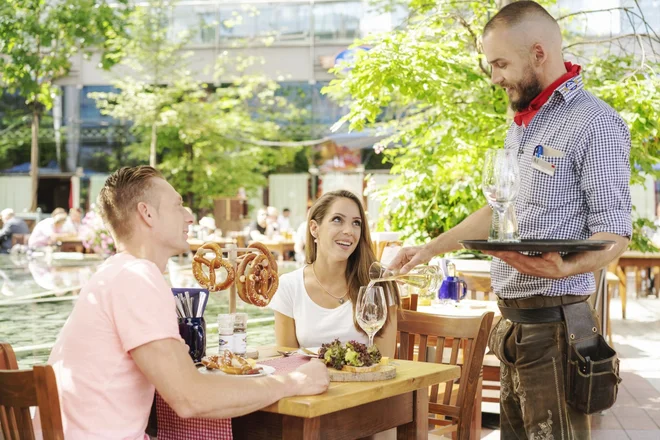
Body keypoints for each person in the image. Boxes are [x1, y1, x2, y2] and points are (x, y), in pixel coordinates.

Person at [389, 2, 631, 439]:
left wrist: (567, 267)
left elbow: (615, 233)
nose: (495, 76)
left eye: (501, 63)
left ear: (539, 53)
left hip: (557, 333)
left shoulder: (597, 123)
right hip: (513, 327)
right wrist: (427, 250)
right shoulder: (522, 124)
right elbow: (500, 210)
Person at [38, 166, 328, 439]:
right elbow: (190, 398)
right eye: (178, 206)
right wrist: (294, 382)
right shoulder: (136, 277)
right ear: (147, 214)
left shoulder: (111, 274)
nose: (189, 217)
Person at [269, 190, 399, 358]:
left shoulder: (379, 284)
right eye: (337, 220)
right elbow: (287, 361)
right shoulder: (288, 287)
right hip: (309, 383)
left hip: (366, 383)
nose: (349, 231)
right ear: (314, 228)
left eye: (356, 223)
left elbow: (384, 361)